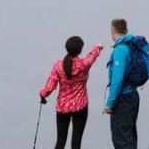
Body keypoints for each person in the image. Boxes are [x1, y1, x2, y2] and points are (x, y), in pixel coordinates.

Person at [39, 36, 104, 149]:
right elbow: (92, 56)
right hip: (80, 107)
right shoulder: (84, 64)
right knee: (76, 143)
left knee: (60, 141)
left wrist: (43, 94)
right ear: (80, 50)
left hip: (62, 107)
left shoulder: (58, 65)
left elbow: (50, 86)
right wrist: (98, 47)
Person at [103, 18, 139, 149]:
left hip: (123, 99)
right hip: (132, 96)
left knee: (121, 140)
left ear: (112, 31)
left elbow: (117, 80)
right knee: (129, 137)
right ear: (126, 30)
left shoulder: (120, 50)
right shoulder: (131, 46)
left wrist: (110, 103)